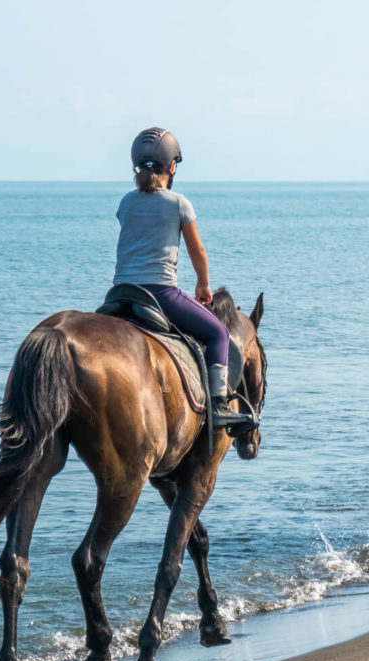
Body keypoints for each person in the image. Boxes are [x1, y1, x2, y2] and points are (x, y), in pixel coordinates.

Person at [112, 127, 257, 433]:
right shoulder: (178, 203)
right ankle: (218, 407)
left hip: (120, 293)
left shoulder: (126, 202)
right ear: (172, 166)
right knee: (218, 332)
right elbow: (197, 252)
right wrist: (203, 285)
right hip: (160, 293)